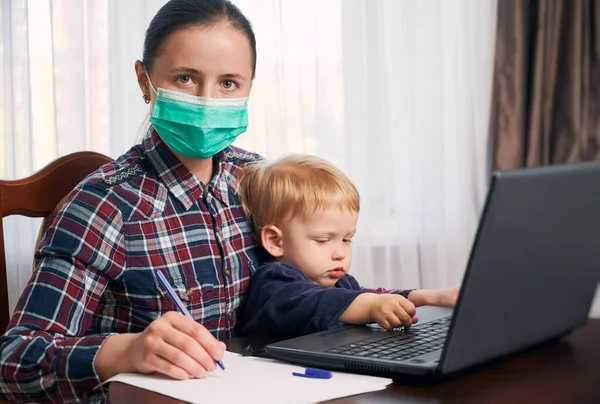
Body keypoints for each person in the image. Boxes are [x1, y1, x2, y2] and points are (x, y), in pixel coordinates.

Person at [0, 1, 268, 402]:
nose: (207, 101)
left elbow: (311, 287)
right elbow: (14, 363)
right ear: (145, 81)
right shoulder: (103, 204)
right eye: (185, 78)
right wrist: (126, 351)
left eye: (229, 83)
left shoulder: (261, 181)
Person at [236, 154, 459, 338]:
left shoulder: (337, 280)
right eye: (323, 240)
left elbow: (368, 295)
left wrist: (432, 298)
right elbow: (315, 302)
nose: (340, 253)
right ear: (276, 241)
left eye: (347, 239)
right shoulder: (275, 283)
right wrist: (371, 305)